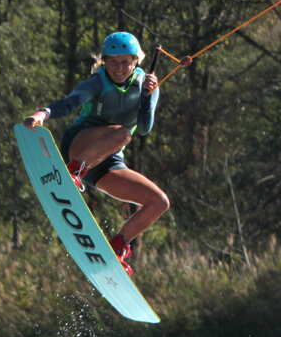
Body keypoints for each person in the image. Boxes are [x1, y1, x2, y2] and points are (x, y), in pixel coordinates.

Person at [23, 31, 188, 276]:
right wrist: (42, 114)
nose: (119, 68)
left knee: (159, 202)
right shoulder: (98, 81)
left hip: (106, 162)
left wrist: (147, 98)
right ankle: (74, 172)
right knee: (123, 134)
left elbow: (144, 128)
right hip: (80, 146)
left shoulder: (148, 85)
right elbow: (70, 102)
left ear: (135, 62)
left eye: (125, 62)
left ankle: (117, 247)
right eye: (112, 62)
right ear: (104, 62)